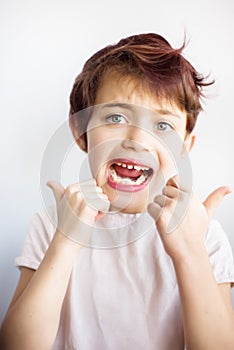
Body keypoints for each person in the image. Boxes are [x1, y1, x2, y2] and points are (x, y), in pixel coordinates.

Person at [0, 33, 234, 350]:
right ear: (81, 133)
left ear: (184, 148)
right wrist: (66, 242)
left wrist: (190, 252)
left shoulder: (204, 236)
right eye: (116, 117)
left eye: (163, 126)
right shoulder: (53, 224)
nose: (137, 139)